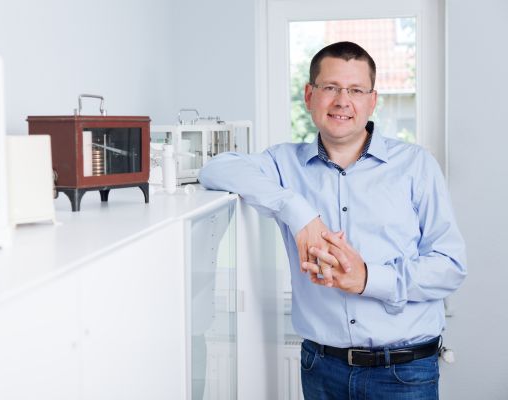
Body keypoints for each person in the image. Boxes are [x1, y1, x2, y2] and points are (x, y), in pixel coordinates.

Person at [198, 41, 467, 400]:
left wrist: (367, 278)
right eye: (331, 87)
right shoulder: (283, 164)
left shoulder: (416, 165)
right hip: (321, 369)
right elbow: (215, 169)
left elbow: (450, 267)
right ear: (310, 95)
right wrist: (298, 211)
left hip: (404, 373)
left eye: (355, 90)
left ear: (372, 100)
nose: (343, 101)